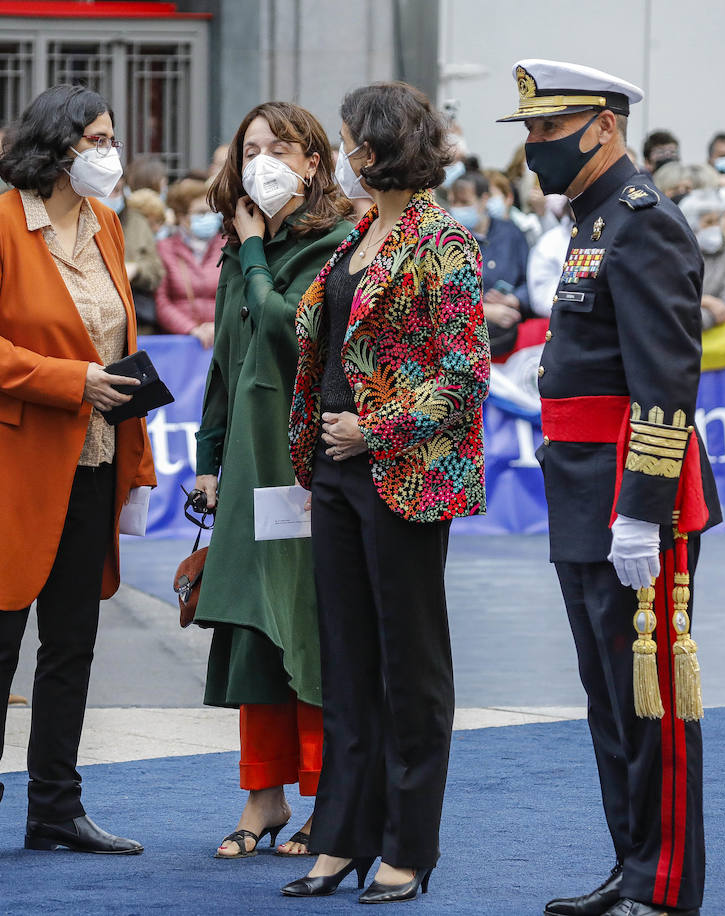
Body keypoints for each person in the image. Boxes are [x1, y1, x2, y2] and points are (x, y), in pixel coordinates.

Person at [0, 82, 157, 869]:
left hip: (90, 461)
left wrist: (133, 452)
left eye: (111, 139)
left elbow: (115, 342)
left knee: (72, 644)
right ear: (56, 145)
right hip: (8, 462)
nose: (108, 154)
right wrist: (69, 380)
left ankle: (57, 806)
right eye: (96, 139)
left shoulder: (109, 224)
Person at [499, 59, 722, 916]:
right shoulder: (594, 222)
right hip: (582, 489)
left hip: (635, 499)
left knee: (653, 700)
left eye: (548, 131)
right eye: (528, 132)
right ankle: (632, 865)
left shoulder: (643, 223)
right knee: (609, 700)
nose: (534, 148)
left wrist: (642, 512)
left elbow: (667, 381)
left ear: (605, 126)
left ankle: (664, 888)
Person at [282, 80, 488, 905]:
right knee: (347, 659)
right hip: (333, 473)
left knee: (410, 666)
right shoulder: (357, 233)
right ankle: (342, 836)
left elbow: (465, 373)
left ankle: (408, 844)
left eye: (346, 141)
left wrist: (379, 427)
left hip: (400, 472)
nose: (339, 156)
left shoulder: (445, 242)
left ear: (380, 146)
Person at [190, 101, 353, 863]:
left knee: (303, 621)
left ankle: (327, 792)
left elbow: (293, 332)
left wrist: (255, 253)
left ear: (314, 161)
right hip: (248, 464)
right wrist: (206, 461)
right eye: (249, 147)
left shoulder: (338, 243)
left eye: (279, 147)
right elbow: (226, 362)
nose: (261, 160)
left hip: (303, 466)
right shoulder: (237, 247)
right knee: (252, 627)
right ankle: (264, 794)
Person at [447, 171, 530, 356]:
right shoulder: (448, 240)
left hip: (510, 340)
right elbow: (441, 296)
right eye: (453, 202)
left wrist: (515, 299)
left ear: (484, 200)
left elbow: (530, 280)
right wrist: (482, 311)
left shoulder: (511, 234)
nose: (456, 208)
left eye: (464, 203)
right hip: (464, 345)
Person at [154, 178, 223, 344]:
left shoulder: (227, 247)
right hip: (180, 341)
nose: (208, 217)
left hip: (222, 339)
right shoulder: (165, 248)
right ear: (182, 217)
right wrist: (191, 329)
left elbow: (239, 297)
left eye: (211, 212)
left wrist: (219, 327)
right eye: (200, 212)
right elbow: (161, 301)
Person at [118, 157, 165, 333]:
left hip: (136, 321)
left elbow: (156, 270)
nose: (110, 196)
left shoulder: (136, 220)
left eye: (117, 190)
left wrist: (137, 269)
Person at [679, 190, 725, 328]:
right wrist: (707, 302)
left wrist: (704, 317)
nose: (715, 227)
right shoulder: (676, 256)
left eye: (717, 221)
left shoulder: (724, 252)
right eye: (709, 222)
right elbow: (676, 304)